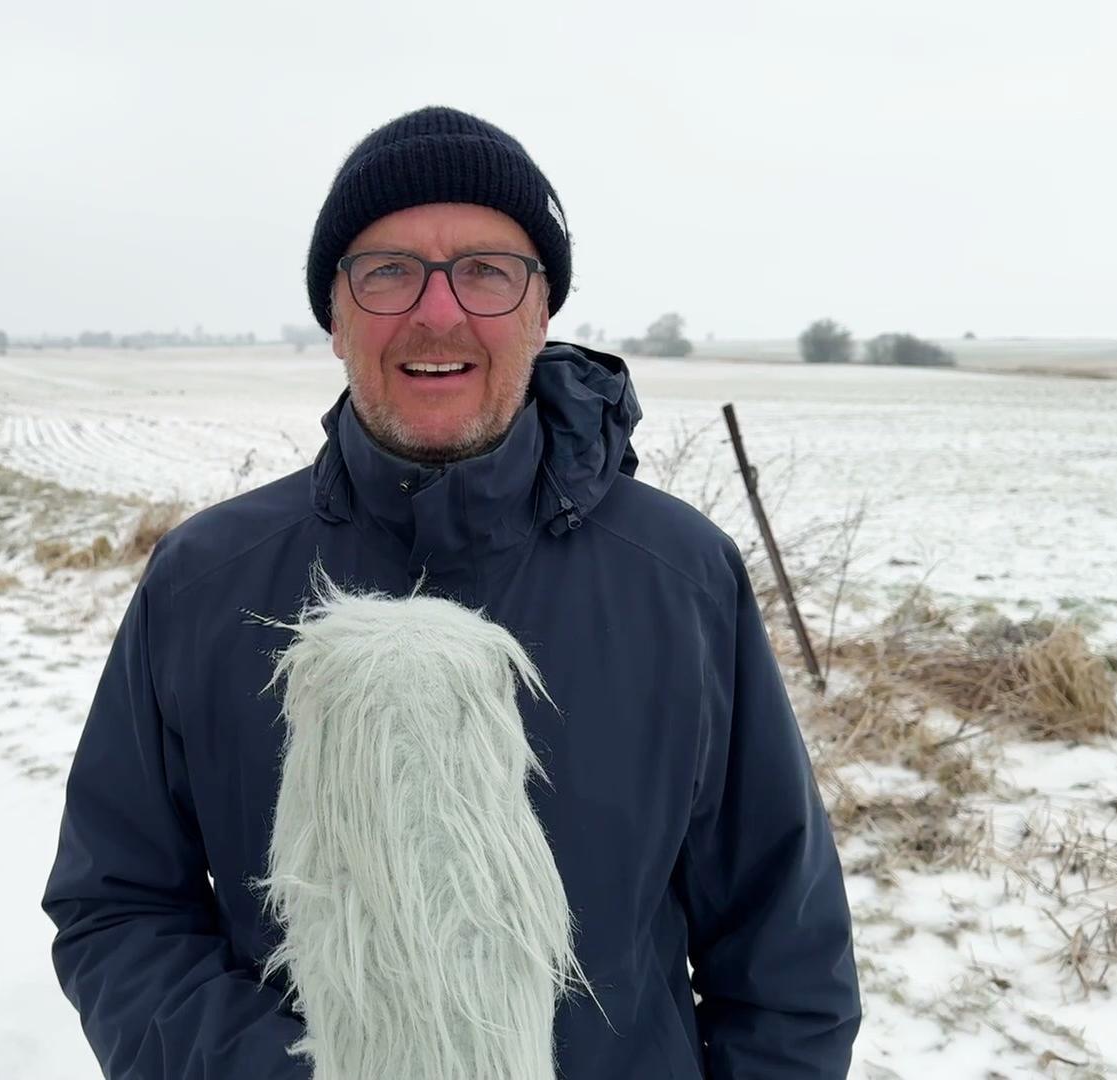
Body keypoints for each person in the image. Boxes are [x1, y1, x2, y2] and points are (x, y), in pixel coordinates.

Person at [43, 105, 860, 1078]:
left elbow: (783, 953)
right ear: (336, 318)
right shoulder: (204, 584)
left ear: (541, 309)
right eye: (387, 272)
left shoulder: (679, 579)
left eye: (486, 270)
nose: (438, 312)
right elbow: (118, 906)